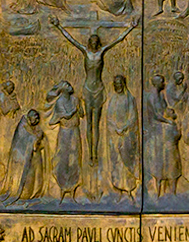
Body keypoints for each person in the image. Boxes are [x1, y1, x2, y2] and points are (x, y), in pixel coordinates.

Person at [50, 17, 139, 166]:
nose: (94, 43)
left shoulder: (101, 52)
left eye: (96, 41)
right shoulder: (85, 52)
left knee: (96, 124)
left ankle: (94, 154)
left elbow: (117, 40)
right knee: (89, 123)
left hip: (98, 89)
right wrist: (58, 26)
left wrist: (131, 27)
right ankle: (89, 154)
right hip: (88, 90)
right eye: (92, 41)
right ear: (89, 42)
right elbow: (71, 39)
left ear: (98, 43)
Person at [45, 81, 83, 199]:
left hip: (75, 130)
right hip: (65, 132)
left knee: (75, 158)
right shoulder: (60, 102)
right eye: (67, 86)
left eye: (70, 85)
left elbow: (81, 114)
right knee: (63, 158)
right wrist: (75, 109)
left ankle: (73, 187)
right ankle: (62, 186)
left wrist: (80, 106)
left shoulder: (75, 99)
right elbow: (66, 115)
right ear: (62, 89)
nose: (70, 86)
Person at [104, 74, 139, 199]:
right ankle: (118, 189)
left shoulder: (129, 99)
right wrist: (115, 128)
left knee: (127, 161)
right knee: (116, 162)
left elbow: (133, 116)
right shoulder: (113, 99)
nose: (117, 86)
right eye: (116, 84)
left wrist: (125, 127)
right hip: (115, 135)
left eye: (119, 84)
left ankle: (129, 189)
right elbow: (109, 117)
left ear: (123, 84)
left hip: (127, 134)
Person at [5, 109, 47, 202]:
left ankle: (34, 192)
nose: (37, 121)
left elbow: (36, 136)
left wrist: (38, 136)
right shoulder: (23, 126)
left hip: (31, 155)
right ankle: (23, 193)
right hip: (21, 156)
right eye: (35, 118)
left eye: (38, 119)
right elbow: (24, 137)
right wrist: (36, 138)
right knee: (25, 175)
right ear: (30, 117)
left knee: (35, 173)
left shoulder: (32, 126)